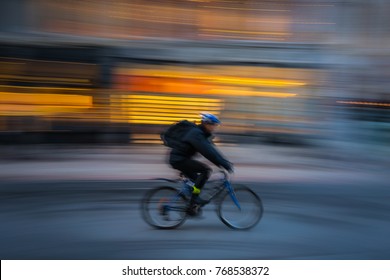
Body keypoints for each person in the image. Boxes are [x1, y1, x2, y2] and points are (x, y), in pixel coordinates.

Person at [168, 113, 233, 208]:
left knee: (196, 180)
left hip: (180, 159)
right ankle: (194, 200)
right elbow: (207, 151)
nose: (215, 128)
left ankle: (191, 204)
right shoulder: (196, 134)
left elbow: (212, 150)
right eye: (214, 125)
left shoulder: (201, 134)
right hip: (179, 160)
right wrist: (223, 163)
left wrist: (224, 161)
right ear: (207, 124)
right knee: (206, 171)